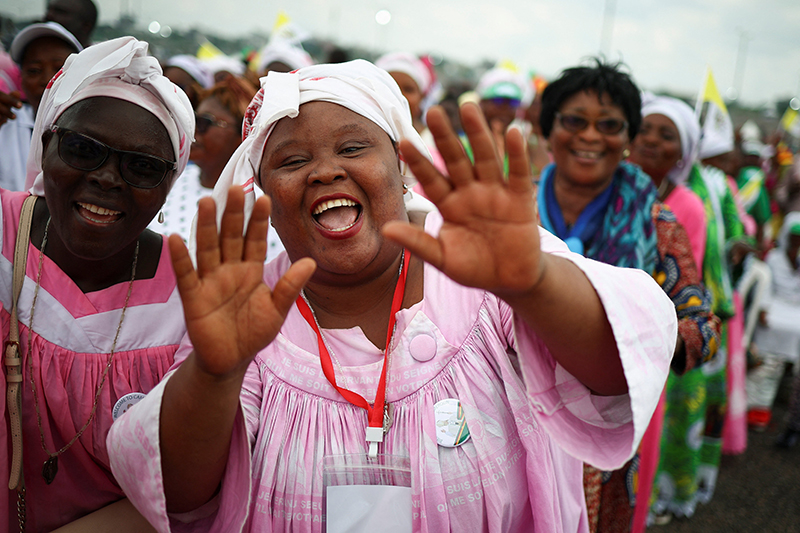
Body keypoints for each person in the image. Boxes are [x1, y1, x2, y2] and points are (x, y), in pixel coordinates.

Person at [107, 60, 677, 532]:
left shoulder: (481, 268)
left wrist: (532, 285)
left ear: (401, 168)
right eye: (293, 161)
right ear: (266, 197)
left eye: (354, 148)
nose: (325, 172)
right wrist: (214, 372)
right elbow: (181, 498)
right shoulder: (247, 311)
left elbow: (614, 376)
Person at [2, 36, 193, 531]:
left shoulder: (191, 295)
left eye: (143, 166)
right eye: (83, 149)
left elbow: (185, 486)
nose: (108, 178)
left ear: (169, 184)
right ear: (46, 143)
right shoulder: (4, 238)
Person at [536, 61, 717, 532]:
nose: (590, 137)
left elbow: (702, 328)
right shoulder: (512, 211)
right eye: (574, 120)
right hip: (512, 418)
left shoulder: (657, 224)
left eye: (610, 125)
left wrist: (632, 341)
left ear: (628, 137)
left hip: (607, 429)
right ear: (549, 126)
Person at [0, 22, 82, 191]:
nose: (47, 80)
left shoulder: (98, 130)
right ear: (21, 79)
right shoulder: (5, 123)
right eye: (34, 70)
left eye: (60, 70)